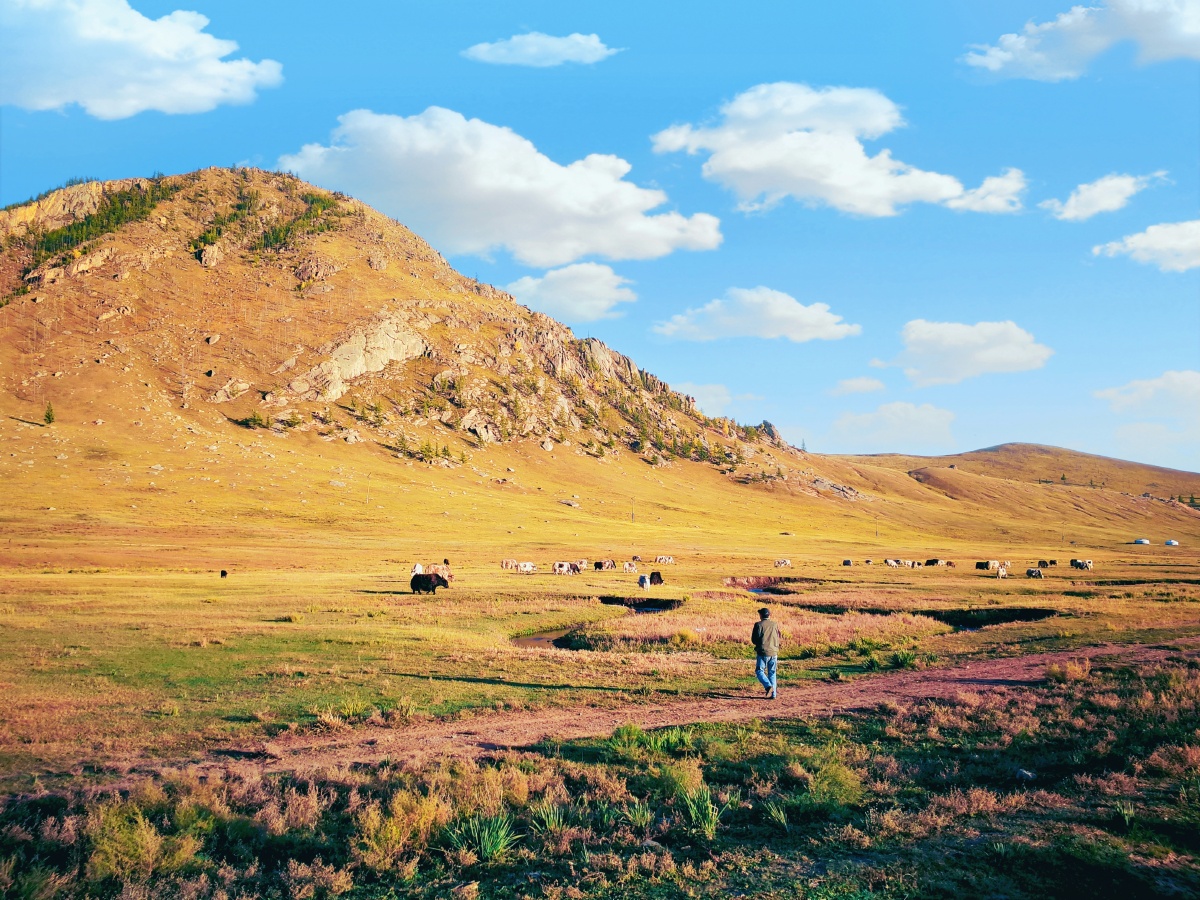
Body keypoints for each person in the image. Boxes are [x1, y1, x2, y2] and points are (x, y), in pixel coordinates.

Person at [752, 607, 780, 699]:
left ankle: (768, 686)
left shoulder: (758, 625)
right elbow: (779, 635)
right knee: (772, 673)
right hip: (774, 651)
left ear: (761, 615)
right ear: (769, 615)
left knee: (759, 671)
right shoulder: (775, 624)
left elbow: (754, 639)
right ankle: (774, 694)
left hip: (763, 652)